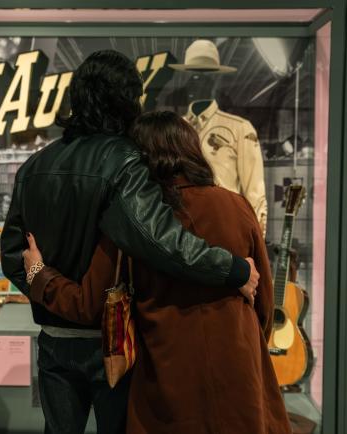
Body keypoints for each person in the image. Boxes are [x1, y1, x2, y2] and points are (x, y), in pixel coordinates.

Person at [0, 51, 259, 434]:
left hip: (53, 339)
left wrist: (43, 279)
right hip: (113, 340)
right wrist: (233, 267)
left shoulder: (34, 166)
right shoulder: (124, 161)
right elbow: (163, 240)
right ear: (126, 99)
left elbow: (11, 255)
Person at [22, 111, 290, 434]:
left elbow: (88, 303)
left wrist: (37, 273)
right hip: (241, 381)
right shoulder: (237, 207)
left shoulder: (133, 222)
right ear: (192, 150)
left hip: (168, 389)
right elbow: (264, 307)